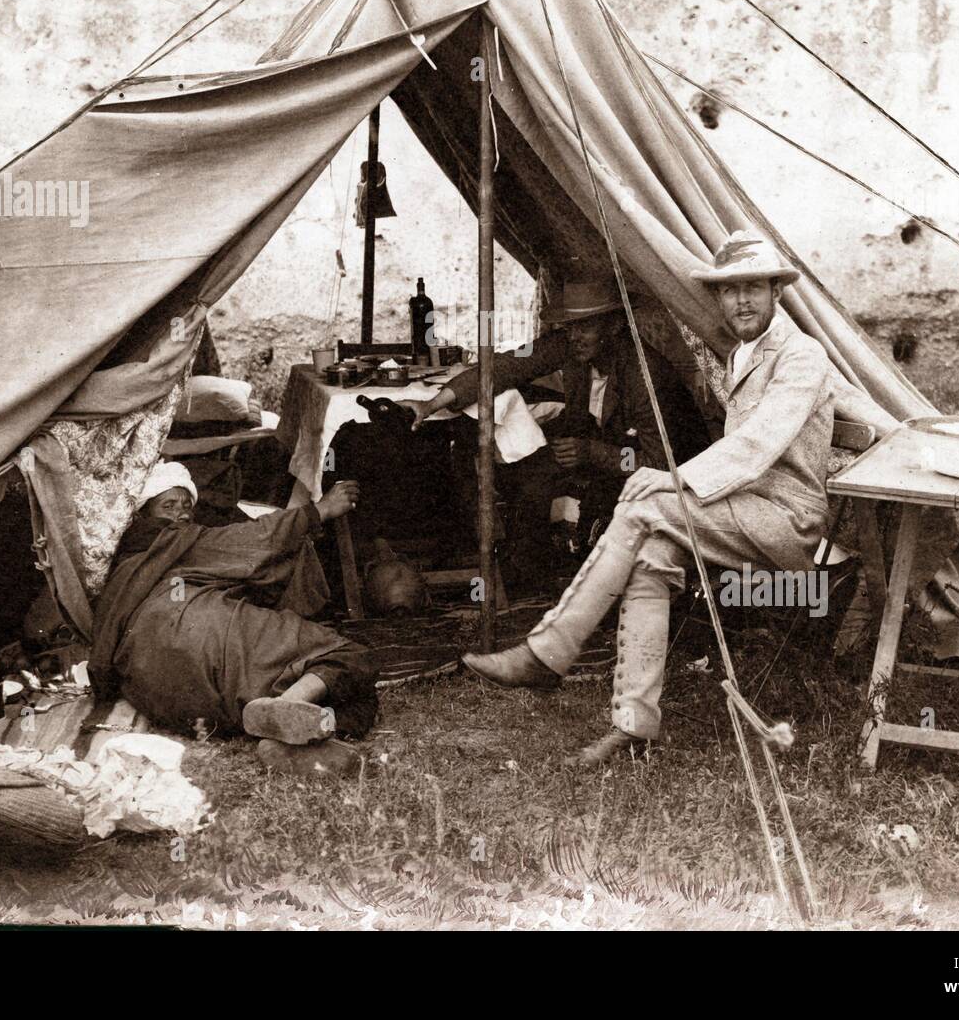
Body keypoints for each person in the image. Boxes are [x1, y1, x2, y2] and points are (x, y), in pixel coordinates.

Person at [461, 232, 835, 766]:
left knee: (645, 506)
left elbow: (757, 447)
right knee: (651, 559)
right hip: (736, 510)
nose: (742, 302)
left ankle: (548, 652)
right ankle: (634, 727)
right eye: (729, 293)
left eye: (753, 287)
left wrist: (671, 479)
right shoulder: (741, 354)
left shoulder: (801, 356)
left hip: (784, 520)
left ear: (777, 291)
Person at [409, 279, 711, 591]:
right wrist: (433, 403)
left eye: (586, 326)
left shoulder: (645, 377)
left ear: (615, 325)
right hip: (602, 447)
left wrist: (592, 452)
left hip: (663, 470)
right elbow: (508, 365)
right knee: (527, 472)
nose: (575, 336)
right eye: (570, 327)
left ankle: (574, 581)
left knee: (574, 496)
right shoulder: (572, 346)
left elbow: (659, 465)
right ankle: (525, 576)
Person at [89, 461, 379, 763]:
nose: (180, 514)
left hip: (159, 692)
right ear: (143, 514)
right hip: (204, 635)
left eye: (186, 505)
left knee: (352, 699)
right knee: (350, 655)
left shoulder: (125, 564)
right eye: (168, 505)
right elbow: (257, 540)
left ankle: (286, 737)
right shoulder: (180, 539)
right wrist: (320, 510)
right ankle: (287, 706)